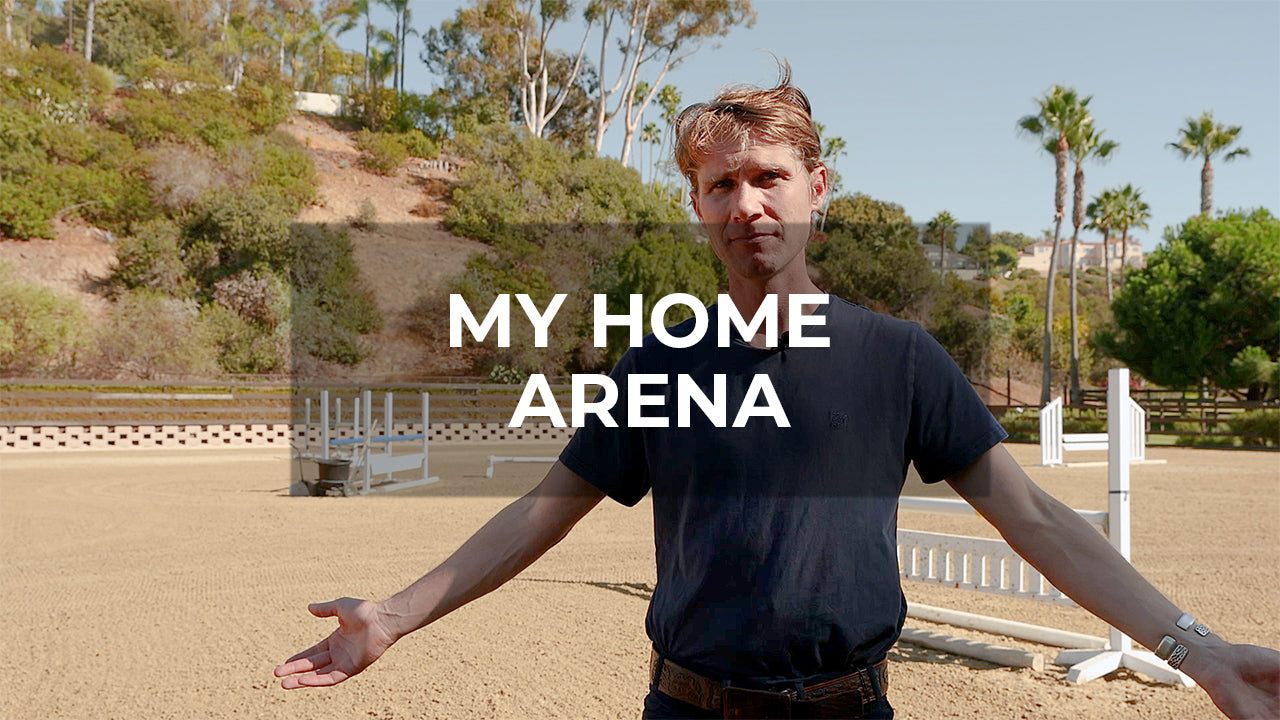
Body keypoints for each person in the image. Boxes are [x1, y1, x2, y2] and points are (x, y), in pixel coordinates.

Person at [274, 65, 1280, 719]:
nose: (745, 204)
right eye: (719, 186)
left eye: (767, 178)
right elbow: (539, 513)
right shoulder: (660, 365)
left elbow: (1037, 521)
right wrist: (394, 617)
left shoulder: (898, 359)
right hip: (685, 707)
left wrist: (1197, 653)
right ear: (695, 203)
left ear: (815, 188)